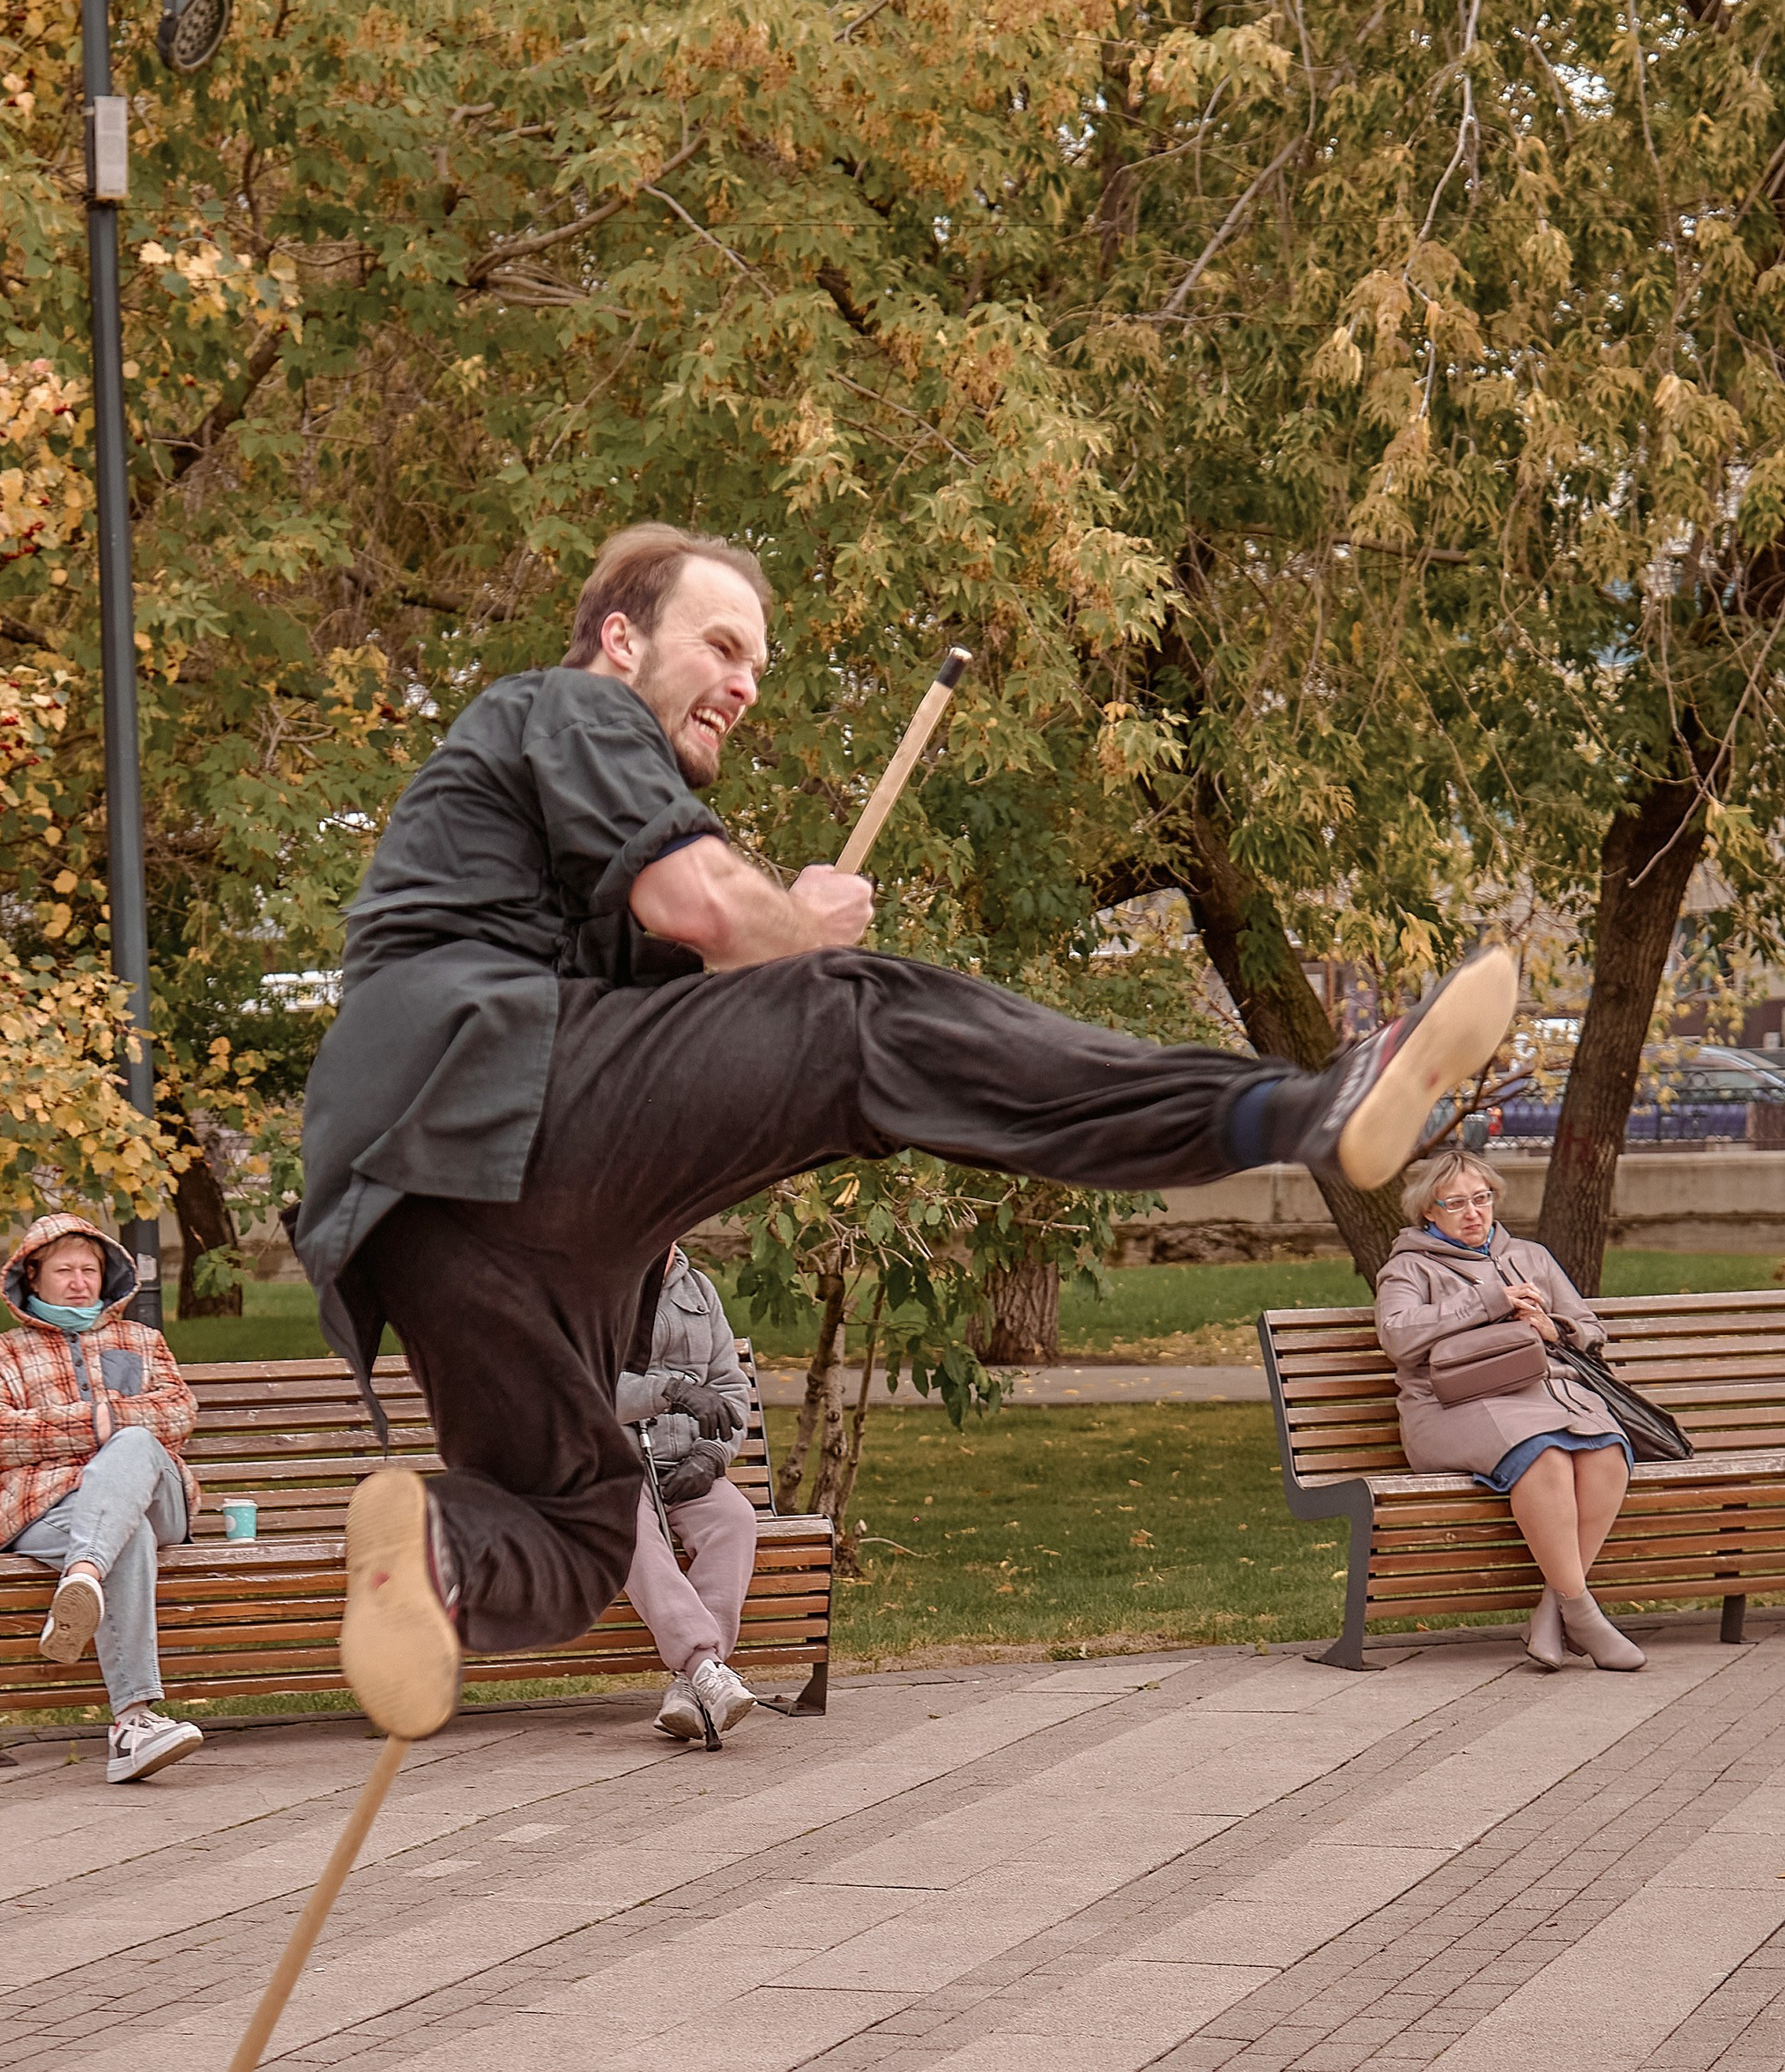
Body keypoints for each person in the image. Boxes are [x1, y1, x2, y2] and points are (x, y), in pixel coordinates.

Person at [294, 520, 1520, 1741]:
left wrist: (759, 958)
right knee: (859, 1022)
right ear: (621, 638)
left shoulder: (558, 845)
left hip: (418, 1223)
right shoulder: (569, 707)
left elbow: (696, 1037)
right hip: (484, 1088)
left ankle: (431, 1549)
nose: (743, 684)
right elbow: (704, 901)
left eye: (760, 669)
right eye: (721, 646)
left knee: (572, 1527)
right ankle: (1307, 1108)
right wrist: (799, 927)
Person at [1374, 1149, 1640, 1671]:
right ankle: (1584, 1615)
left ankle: (1554, 1609)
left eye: (1482, 1198)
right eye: (1456, 1203)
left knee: (1607, 1451)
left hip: (1545, 1398)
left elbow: (1589, 1327)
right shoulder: (1408, 1267)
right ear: (1429, 1211)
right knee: (1544, 1457)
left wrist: (1554, 1328)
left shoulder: (1532, 1257)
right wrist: (1490, 1301)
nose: (1473, 1212)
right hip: (1450, 1407)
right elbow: (1398, 1337)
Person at [0, 1213, 209, 1779]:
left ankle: (83, 1573)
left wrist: (106, 1428)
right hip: (49, 1511)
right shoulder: (1, 1355)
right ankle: (133, 1727)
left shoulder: (142, 1342)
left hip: (157, 1497)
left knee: (136, 1442)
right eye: (64, 1270)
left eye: (90, 1270)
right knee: (129, 1535)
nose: (79, 1282)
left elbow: (177, 1414)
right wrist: (100, 1423)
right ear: (33, 1277)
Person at [617, 1241, 759, 1742]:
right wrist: (671, 1389)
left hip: (685, 1464)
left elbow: (730, 1387)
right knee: (626, 1524)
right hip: (610, 1469)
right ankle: (704, 1666)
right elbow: (578, 1388)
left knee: (734, 1519)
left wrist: (711, 1456)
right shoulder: (588, 1283)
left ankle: (691, 1688)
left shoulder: (696, 1288)